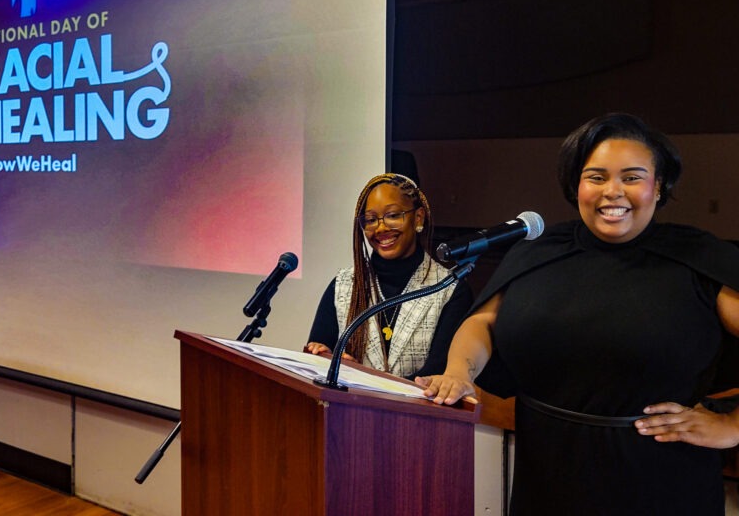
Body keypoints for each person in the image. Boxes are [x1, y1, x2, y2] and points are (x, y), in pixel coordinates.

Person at [418, 113, 739, 515]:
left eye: (633, 177)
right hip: (549, 474)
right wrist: (458, 373)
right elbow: (484, 321)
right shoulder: (539, 251)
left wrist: (732, 426)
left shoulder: (700, 259)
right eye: (597, 177)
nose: (613, 192)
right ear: (577, 185)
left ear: (659, 187)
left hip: (661, 480)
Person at [305, 173, 474, 380]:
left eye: (393, 215)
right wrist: (323, 357)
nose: (381, 228)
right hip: (349, 410)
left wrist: (359, 376)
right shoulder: (343, 285)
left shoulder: (449, 289)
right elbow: (320, 351)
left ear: (418, 218)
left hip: (414, 411)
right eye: (370, 220)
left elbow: (437, 374)